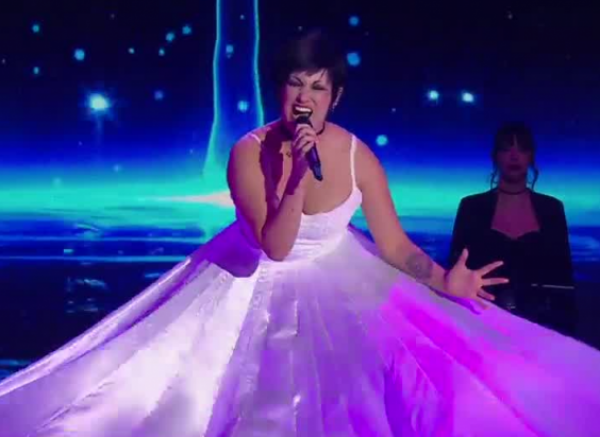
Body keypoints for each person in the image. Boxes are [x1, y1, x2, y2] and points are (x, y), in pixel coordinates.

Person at [1, 30, 599, 437]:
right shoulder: (249, 152)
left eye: (318, 87)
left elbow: (393, 245)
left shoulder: (358, 155)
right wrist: (292, 178)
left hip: (342, 279)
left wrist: (446, 281)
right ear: (279, 90)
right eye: (296, 83)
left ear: (335, 97)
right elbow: (277, 247)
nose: (305, 97)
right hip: (247, 284)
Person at [449, 123, 577, 336]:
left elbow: (564, 278)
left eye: (522, 149)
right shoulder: (472, 207)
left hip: (542, 327)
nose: (514, 156)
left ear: (531, 156)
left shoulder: (551, 209)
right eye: (506, 149)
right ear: (496, 156)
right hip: (481, 324)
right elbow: (456, 270)